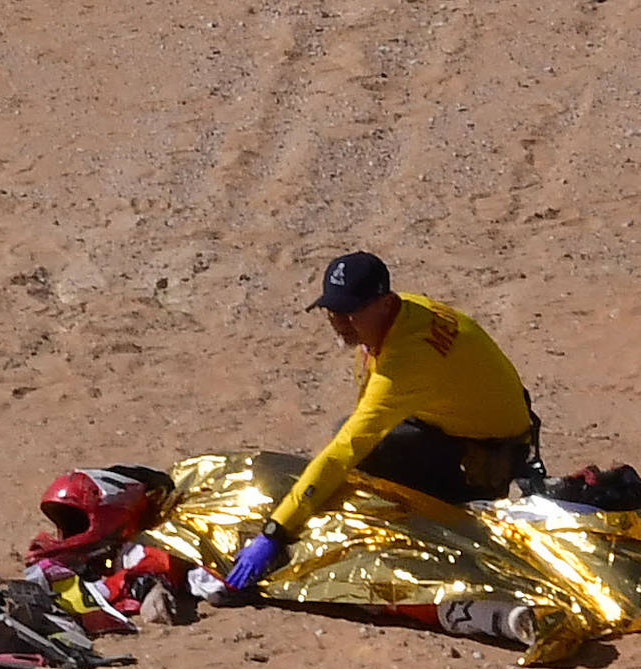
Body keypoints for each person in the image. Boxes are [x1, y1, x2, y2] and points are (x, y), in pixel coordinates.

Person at [226, 252, 539, 589]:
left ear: (386, 303)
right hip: (469, 424)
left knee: (362, 458)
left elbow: (344, 448)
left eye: (350, 312)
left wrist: (276, 531)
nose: (339, 322)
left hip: (488, 457)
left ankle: (450, 513)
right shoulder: (408, 312)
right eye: (331, 311)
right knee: (358, 441)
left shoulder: (408, 360)